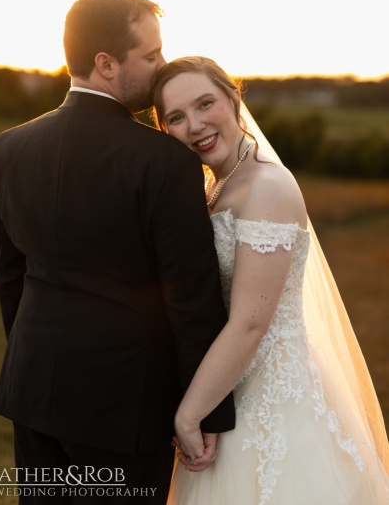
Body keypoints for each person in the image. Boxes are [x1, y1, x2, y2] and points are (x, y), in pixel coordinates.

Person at [0, 0, 235, 504]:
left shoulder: (8, 148)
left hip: (32, 391)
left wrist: (33, 362)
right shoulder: (163, 161)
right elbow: (191, 297)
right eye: (150, 56)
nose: (161, 66)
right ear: (106, 64)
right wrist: (207, 413)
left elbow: (10, 275)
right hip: (124, 408)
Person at [153, 56, 389, 504]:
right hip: (228, 391)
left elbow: (250, 324)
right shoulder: (218, 185)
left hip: (274, 405)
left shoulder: (266, 186)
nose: (196, 125)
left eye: (206, 104)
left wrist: (189, 414)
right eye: (177, 117)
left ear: (234, 98)